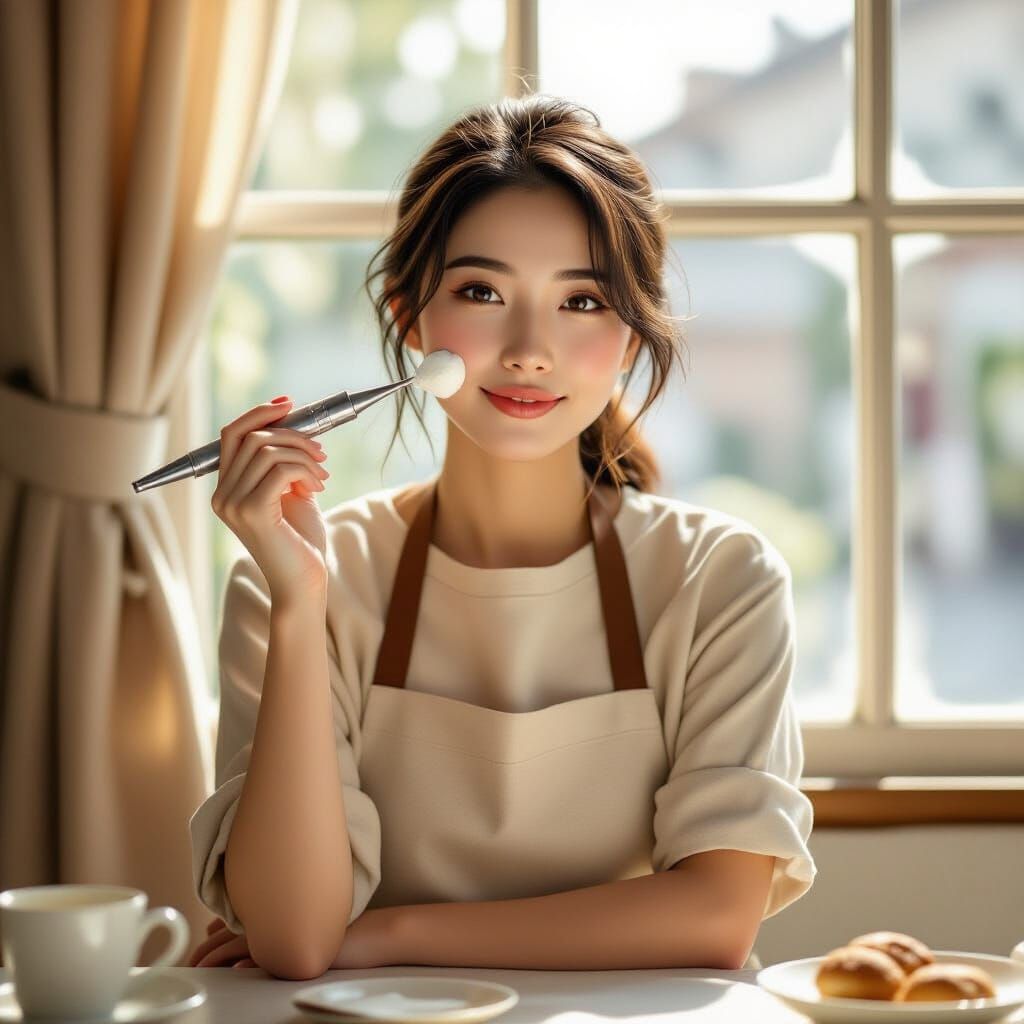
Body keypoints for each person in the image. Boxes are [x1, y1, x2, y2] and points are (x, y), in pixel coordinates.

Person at [188, 94, 816, 980]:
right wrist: (300, 609)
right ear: (411, 317)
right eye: (482, 291)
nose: (529, 349)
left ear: (631, 337)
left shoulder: (719, 578)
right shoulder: (301, 577)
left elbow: (715, 918)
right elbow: (293, 937)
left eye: (583, 300)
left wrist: (382, 937)